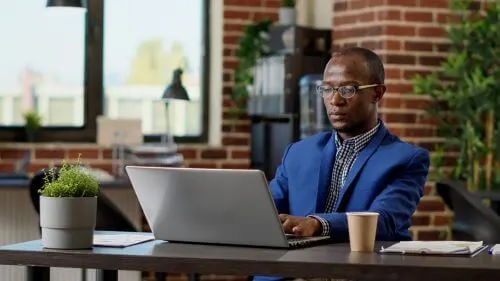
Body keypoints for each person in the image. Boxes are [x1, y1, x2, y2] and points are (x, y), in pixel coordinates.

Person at [254, 46, 430, 281]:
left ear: (377, 93)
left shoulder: (405, 159)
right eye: (327, 89)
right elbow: (265, 210)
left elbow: (384, 221)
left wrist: (318, 224)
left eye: (348, 89)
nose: (335, 100)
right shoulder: (298, 153)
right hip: (293, 274)